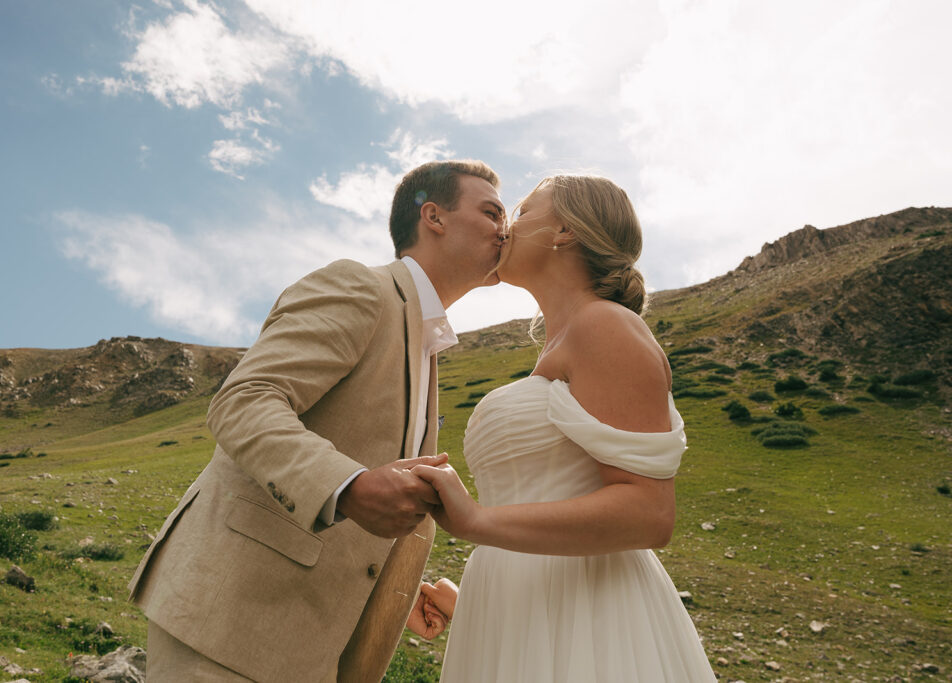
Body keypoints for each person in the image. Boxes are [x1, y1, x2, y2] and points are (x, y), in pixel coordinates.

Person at [127, 159, 506, 682]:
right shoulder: (361, 287)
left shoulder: (425, 343)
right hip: (228, 625)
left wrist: (384, 585)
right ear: (434, 217)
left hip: (303, 648)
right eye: (491, 212)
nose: (504, 230)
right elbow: (245, 398)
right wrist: (347, 486)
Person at [409, 174, 717, 682]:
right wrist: (475, 607)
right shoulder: (564, 344)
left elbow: (648, 512)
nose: (507, 223)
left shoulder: (605, 325)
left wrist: (476, 523)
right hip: (520, 615)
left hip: (599, 626)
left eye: (525, 210)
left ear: (565, 231)